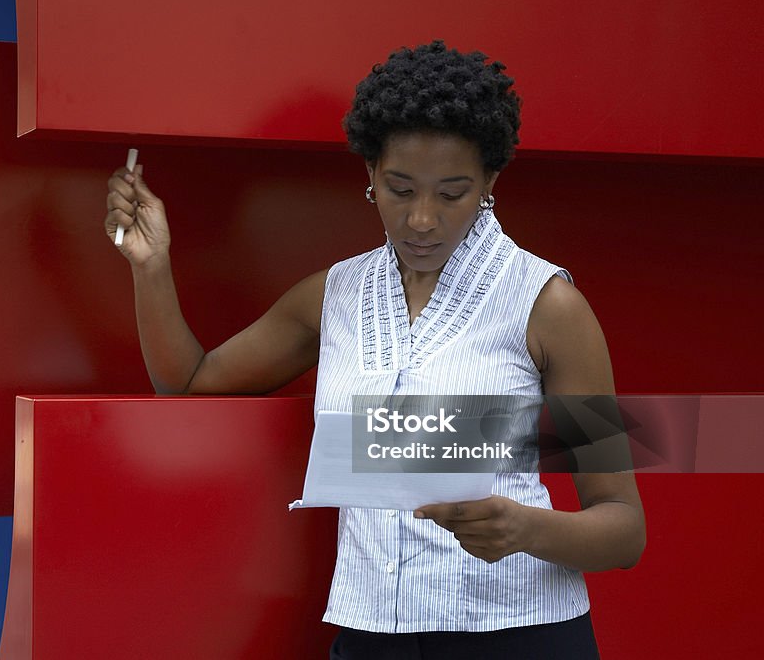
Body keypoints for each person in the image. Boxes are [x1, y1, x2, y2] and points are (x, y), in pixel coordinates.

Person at [105, 40, 645, 658]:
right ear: (369, 176)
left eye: (452, 193)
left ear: (490, 182)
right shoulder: (334, 296)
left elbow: (623, 529)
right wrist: (150, 265)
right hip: (371, 637)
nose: (421, 219)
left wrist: (525, 528)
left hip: (519, 636)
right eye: (400, 189)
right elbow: (191, 381)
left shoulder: (549, 306)